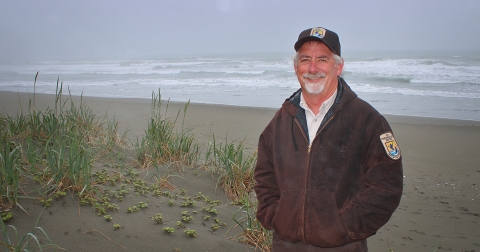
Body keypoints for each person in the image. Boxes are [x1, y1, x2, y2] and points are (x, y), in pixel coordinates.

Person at [254, 27, 403, 251]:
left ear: (339, 67)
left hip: (343, 246)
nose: (312, 68)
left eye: (322, 59)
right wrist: (274, 215)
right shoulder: (281, 120)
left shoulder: (367, 120)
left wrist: (344, 227)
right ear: (296, 67)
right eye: (305, 60)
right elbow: (264, 175)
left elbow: (387, 186)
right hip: (285, 246)